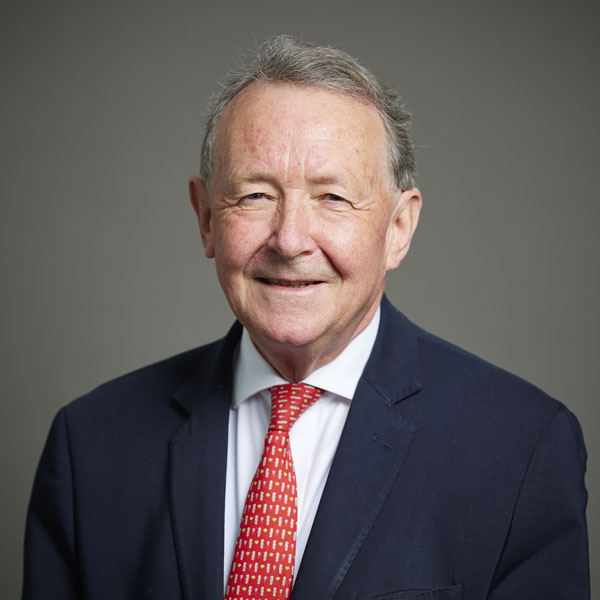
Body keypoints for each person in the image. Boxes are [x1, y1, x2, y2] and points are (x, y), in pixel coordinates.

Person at [23, 35, 589, 600]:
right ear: (206, 218)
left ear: (398, 229)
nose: (290, 240)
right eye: (255, 195)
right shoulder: (89, 445)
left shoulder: (521, 450)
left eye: (332, 198)